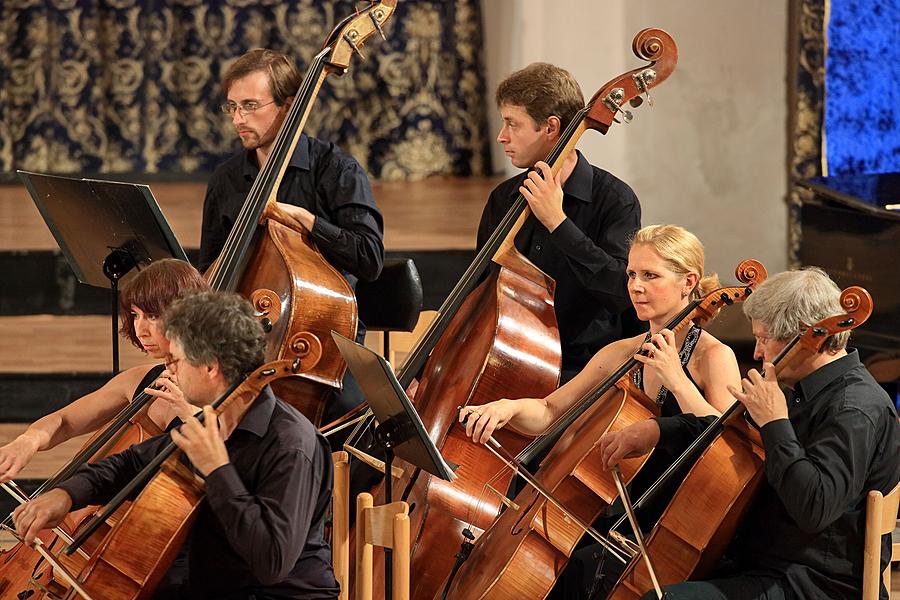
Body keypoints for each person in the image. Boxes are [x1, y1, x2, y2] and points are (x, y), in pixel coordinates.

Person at [459, 225, 741, 598]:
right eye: (631, 275)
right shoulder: (621, 353)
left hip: (663, 521)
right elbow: (548, 411)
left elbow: (722, 444)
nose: (636, 286)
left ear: (688, 282)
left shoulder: (714, 357)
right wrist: (508, 408)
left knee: (577, 571)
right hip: (607, 513)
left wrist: (678, 380)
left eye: (650, 276)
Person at [13, 291, 339, 600]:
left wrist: (217, 470)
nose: (170, 368)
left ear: (211, 367)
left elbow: (271, 563)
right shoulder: (215, 421)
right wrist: (65, 495)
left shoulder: (291, 444)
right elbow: (130, 464)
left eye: (178, 359)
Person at [599, 268, 900, 600]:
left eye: (764, 338)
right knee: (605, 567)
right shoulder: (798, 390)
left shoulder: (854, 408)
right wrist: (659, 429)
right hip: (760, 563)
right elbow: (737, 432)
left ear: (804, 337)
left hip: (813, 583)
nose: (757, 353)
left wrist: (775, 422)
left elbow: (815, 508)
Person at [198, 47, 384, 425]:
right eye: (232, 107)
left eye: (250, 105)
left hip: (323, 345)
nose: (238, 119)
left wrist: (312, 224)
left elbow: (370, 258)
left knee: (353, 418)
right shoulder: (226, 180)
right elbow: (210, 272)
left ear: (288, 106)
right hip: (244, 344)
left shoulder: (337, 171)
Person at [478, 62, 643, 383]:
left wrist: (558, 224)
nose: (501, 137)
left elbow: (621, 293)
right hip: (508, 362)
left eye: (513, 124)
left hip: (586, 372)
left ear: (551, 127)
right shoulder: (504, 198)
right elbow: (482, 292)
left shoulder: (615, 200)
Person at [0, 258, 206, 483]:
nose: (140, 329)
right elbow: (65, 421)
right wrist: (29, 440)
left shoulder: (218, 386)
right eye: (136, 315)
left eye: (153, 316)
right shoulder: (139, 380)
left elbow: (235, 470)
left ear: (187, 314)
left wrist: (194, 417)